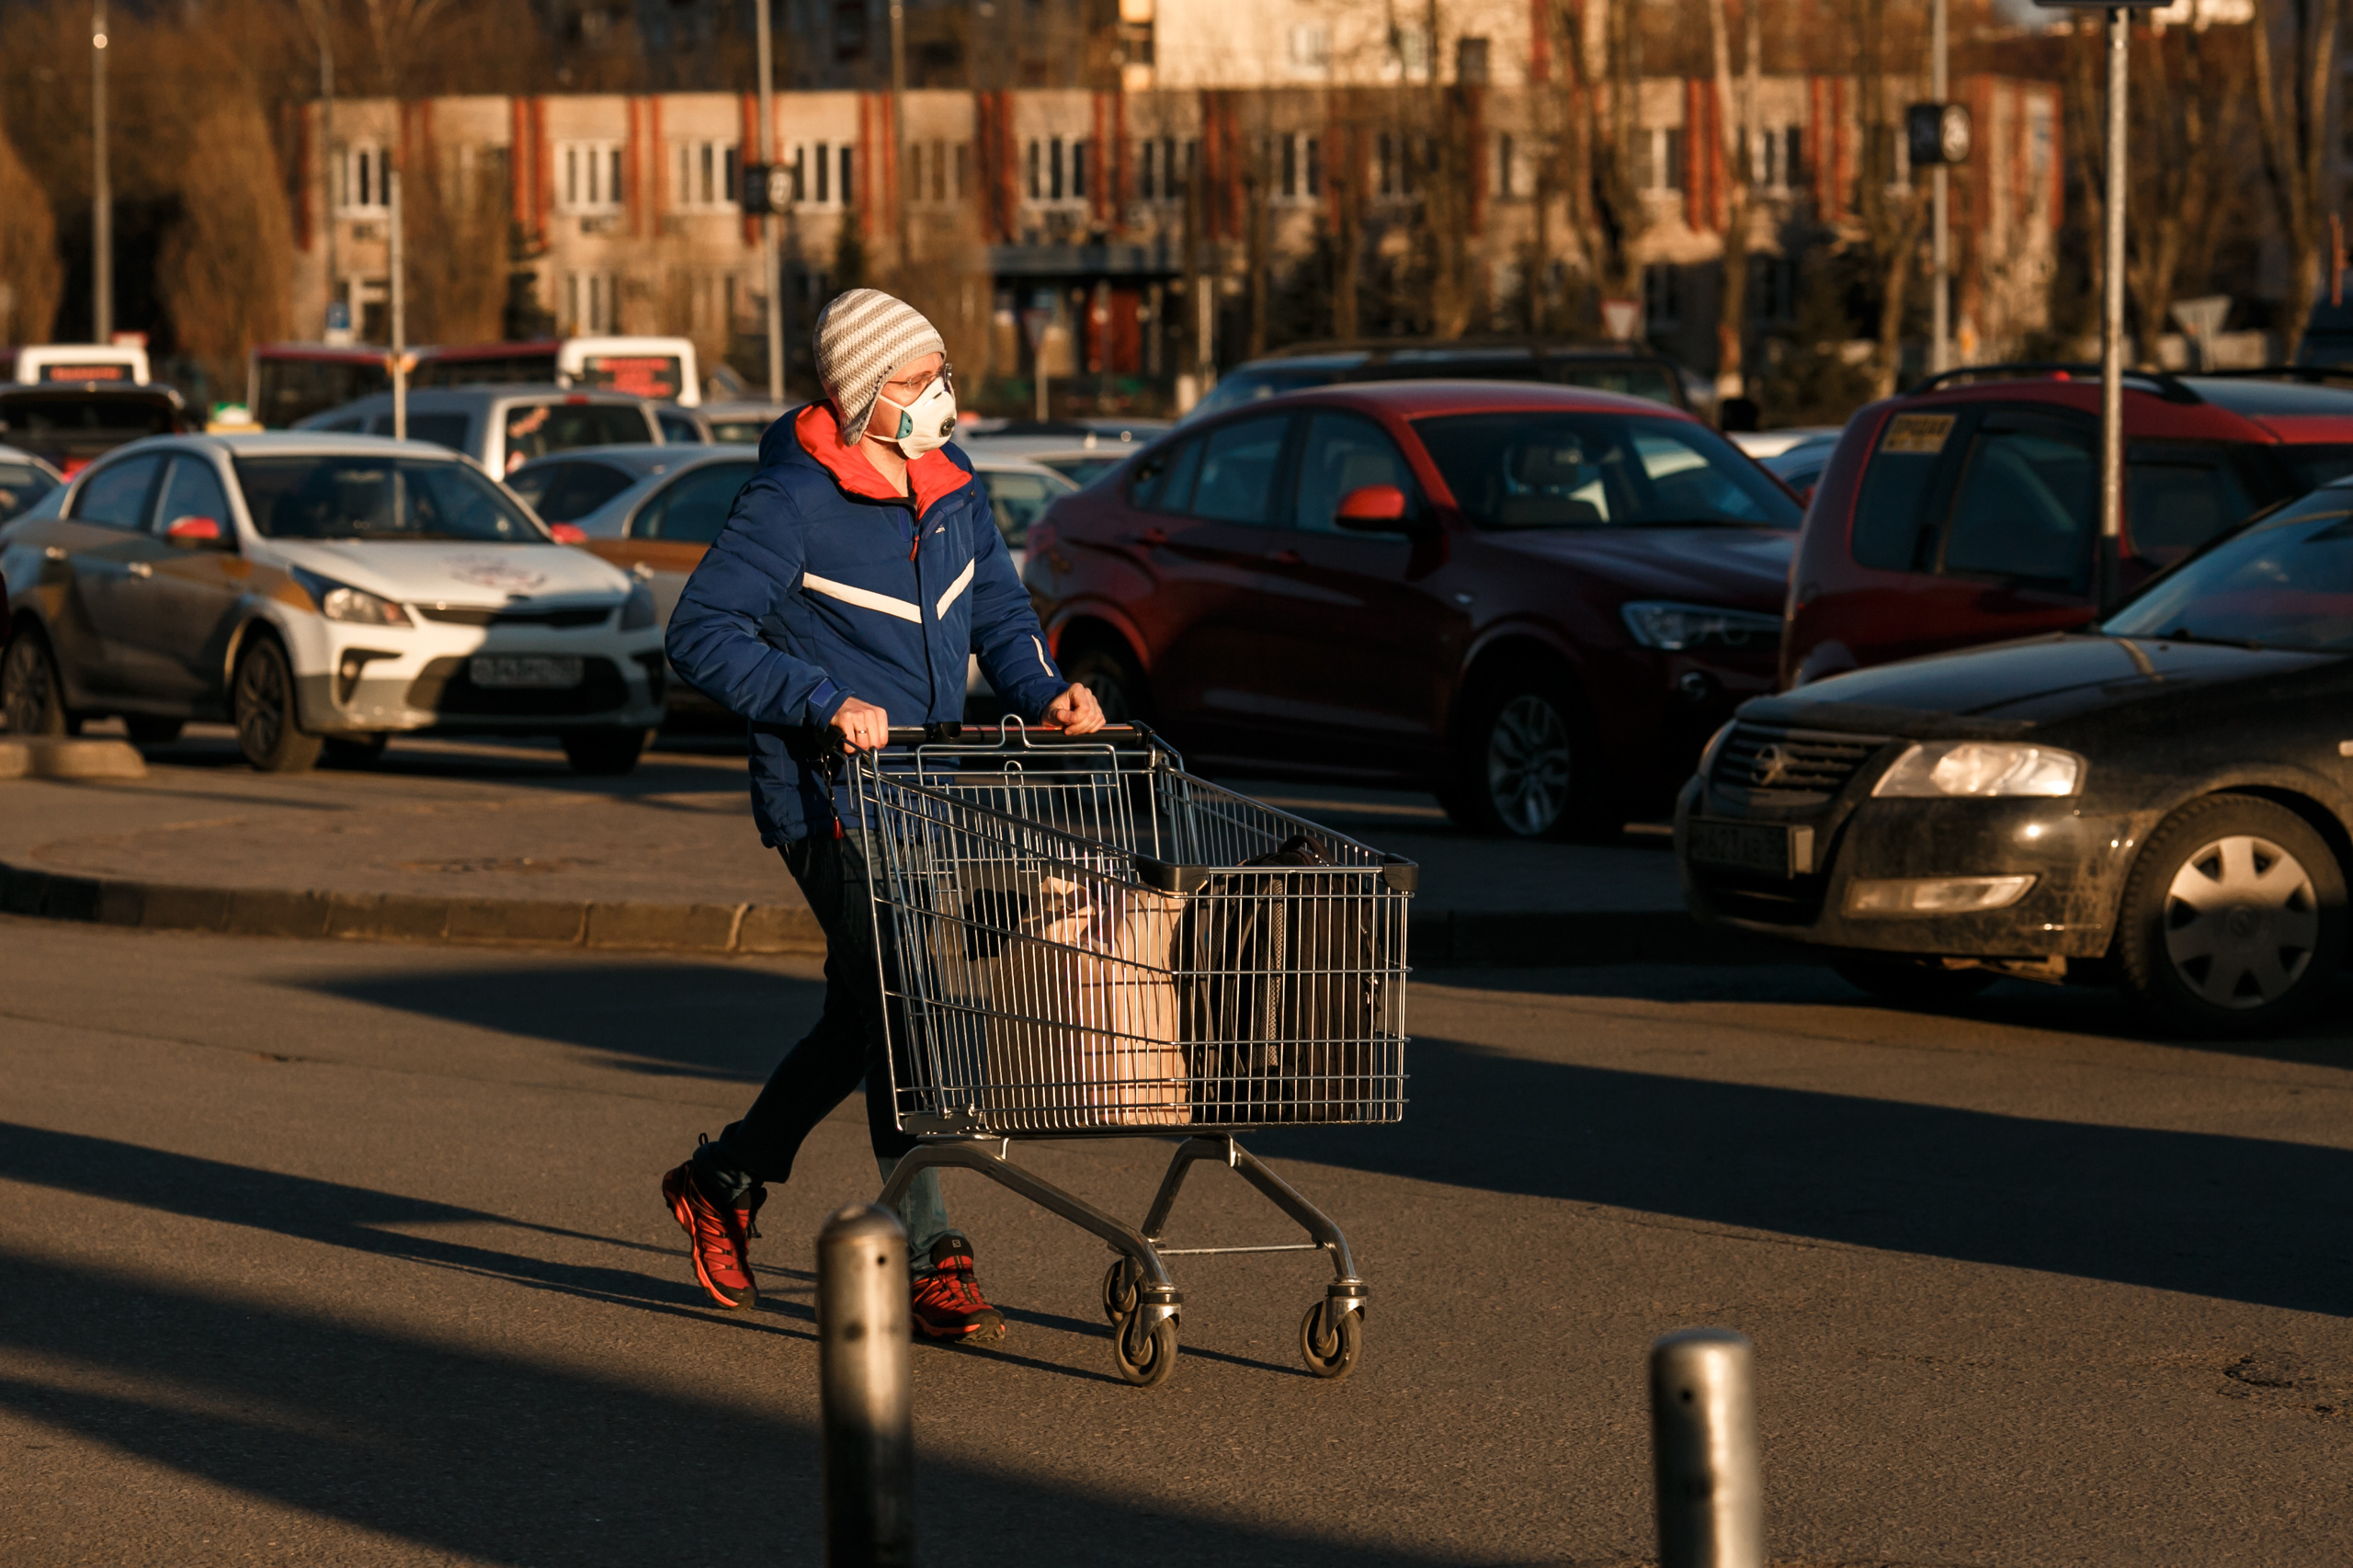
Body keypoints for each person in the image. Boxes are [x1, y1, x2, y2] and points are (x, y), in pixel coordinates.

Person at [659, 289, 1104, 1337]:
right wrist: (819, 700)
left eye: (939, 371)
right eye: (913, 380)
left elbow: (996, 607)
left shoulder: (950, 485)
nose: (936, 394)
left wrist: (1045, 691)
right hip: (825, 800)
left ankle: (724, 1177)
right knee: (908, 1006)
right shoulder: (793, 499)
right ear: (861, 396)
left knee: (863, 1014)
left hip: (921, 797)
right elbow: (702, 632)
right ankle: (931, 1250)